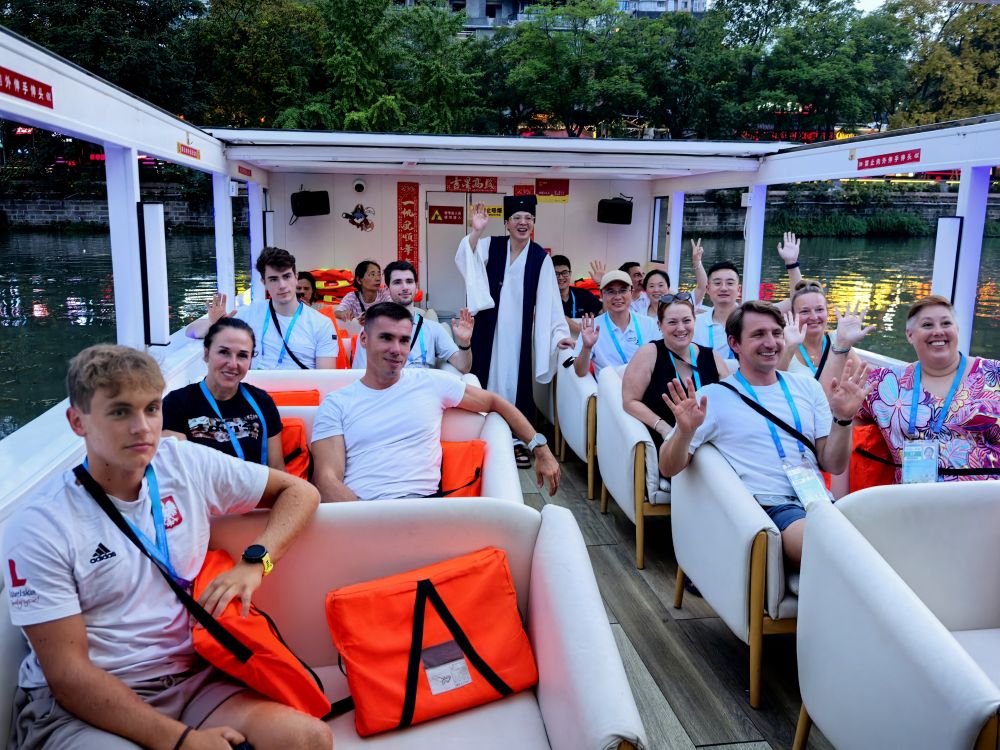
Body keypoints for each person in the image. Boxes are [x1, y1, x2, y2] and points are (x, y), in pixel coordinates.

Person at [3, 344, 329, 750]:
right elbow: (68, 676)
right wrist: (182, 742)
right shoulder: (41, 524)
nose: (142, 427)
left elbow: (299, 492)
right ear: (77, 422)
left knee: (309, 739)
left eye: (152, 409)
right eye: (120, 412)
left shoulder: (183, 463)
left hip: (191, 681)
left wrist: (255, 562)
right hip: (81, 704)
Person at [658, 301, 869, 567]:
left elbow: (833, 465)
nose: (770, 343)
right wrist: (684, 432)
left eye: (776, 333)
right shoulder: (712, 398)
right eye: (758, 334)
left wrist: (843, 419)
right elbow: (667, 467)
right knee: (835, 550)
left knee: (877, 539)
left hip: (819, 501)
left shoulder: (808, 388)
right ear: (734, 343)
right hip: (769, 510)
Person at [310, 302, 561, 501]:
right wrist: (368, 522)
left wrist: (541, 449)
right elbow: (326, 479)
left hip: (425, 510)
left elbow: (495, 402)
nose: (396, 349)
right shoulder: (336, 403)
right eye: (386, 338)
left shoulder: (430, 382)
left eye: (404, 340)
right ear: (364, 339)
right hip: (361, 510)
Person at [455, 198, 572, 466]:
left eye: (528, 218)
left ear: (534, 223)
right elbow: (465, 258)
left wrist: (558, 335)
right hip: (486, 328)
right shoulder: (491, 245)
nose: (523, 223)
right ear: (506, 223)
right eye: (517, 218)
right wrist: (476, 232)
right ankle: (479, 434)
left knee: (513, 382)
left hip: (517, 335)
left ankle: (516, 440)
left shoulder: (540, 258)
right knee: (482, 378)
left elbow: (551, 302)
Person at [856, 295, 1000, 483]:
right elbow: (843, 414)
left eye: (946, 323)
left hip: (987, 497)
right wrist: (841, 347)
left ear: (957, 329)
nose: (938, 331)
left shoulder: (994, 373)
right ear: (910, 335)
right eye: (927, 325)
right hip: (913, 498)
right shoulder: (884, 383)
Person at [186, 246, 338, 370]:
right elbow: (190, 331)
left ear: (296, 277)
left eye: (286, 276)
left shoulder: (322, 324)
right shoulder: (249, 314)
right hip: (254, 393)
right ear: (264, 282)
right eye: (273, 279)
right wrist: (215, 325)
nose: (282, 285)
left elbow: (326, 379)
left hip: (301, 395)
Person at [164, 318, 284, 470]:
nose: (233, 364)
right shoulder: (176, 404)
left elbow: (277, 468)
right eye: (224, 352)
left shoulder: (262, 402)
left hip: (256, 485)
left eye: (242, 355)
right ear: (206, 354)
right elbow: (174, 471)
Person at [622, 292, 728, 447]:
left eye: (686, 320)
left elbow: (730, 403)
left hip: (710, 442)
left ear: (694, 321)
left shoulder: (713, 357)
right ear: (660, 325)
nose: (681, 328)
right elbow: (629, 401)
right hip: (667, 443)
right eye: (672, 322)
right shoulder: (648, 354)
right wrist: (662, 427)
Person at [352, 260, 474, 373]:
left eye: (409, 281)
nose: (405, 287)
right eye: (397, 282)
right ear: (387, 290)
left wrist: (464, 342)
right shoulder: (371, 330)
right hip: (387, 388)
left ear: (416, 288)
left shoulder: (433, 329)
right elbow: (359, 375)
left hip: (423, 388)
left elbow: (464, 367)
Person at [693, 233, 803, 359]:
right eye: (717, 283)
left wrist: (791, 264)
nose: (723, 288)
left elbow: (797, 302)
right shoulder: (696, 324)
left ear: (739, 289)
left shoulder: (754, 314)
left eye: (730, 283)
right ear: (708, 289)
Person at [779, 279, 874, 394]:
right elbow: (773, 386)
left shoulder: (838, 339)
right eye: (805, 311)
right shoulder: (786, 345)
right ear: (794, 316)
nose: (814, 317)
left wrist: (844, 343)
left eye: (819, 309)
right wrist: (789, 348)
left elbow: (865, 379)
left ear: (827, 313)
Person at [573, 271, 662, 379]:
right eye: (611, 291)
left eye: (623, 290)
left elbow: (661, 361)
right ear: (601, 295)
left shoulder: (649, 324)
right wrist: (587, 347)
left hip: (645, 386)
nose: (618, 297)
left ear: (631, 292)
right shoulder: (592, 327)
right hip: (610, 388)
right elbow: (580, 372)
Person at [552, 254, 602, 336]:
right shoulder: (545, 298)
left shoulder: (584, 295)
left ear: (570, 273)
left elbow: (605, 313)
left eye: (564, 273)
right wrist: (580, 330)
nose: (560, 277)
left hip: (582, 341)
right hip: (558, 341)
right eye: (556, 273)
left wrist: (602, 285)